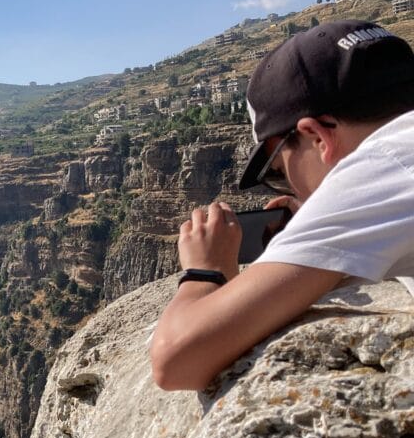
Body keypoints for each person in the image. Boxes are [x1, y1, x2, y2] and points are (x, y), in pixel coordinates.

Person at [151, 20, 414, 392]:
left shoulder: (382, 162)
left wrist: (205, 272)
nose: (292, 187)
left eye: (278, 170)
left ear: (315, 136)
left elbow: (178, 361)